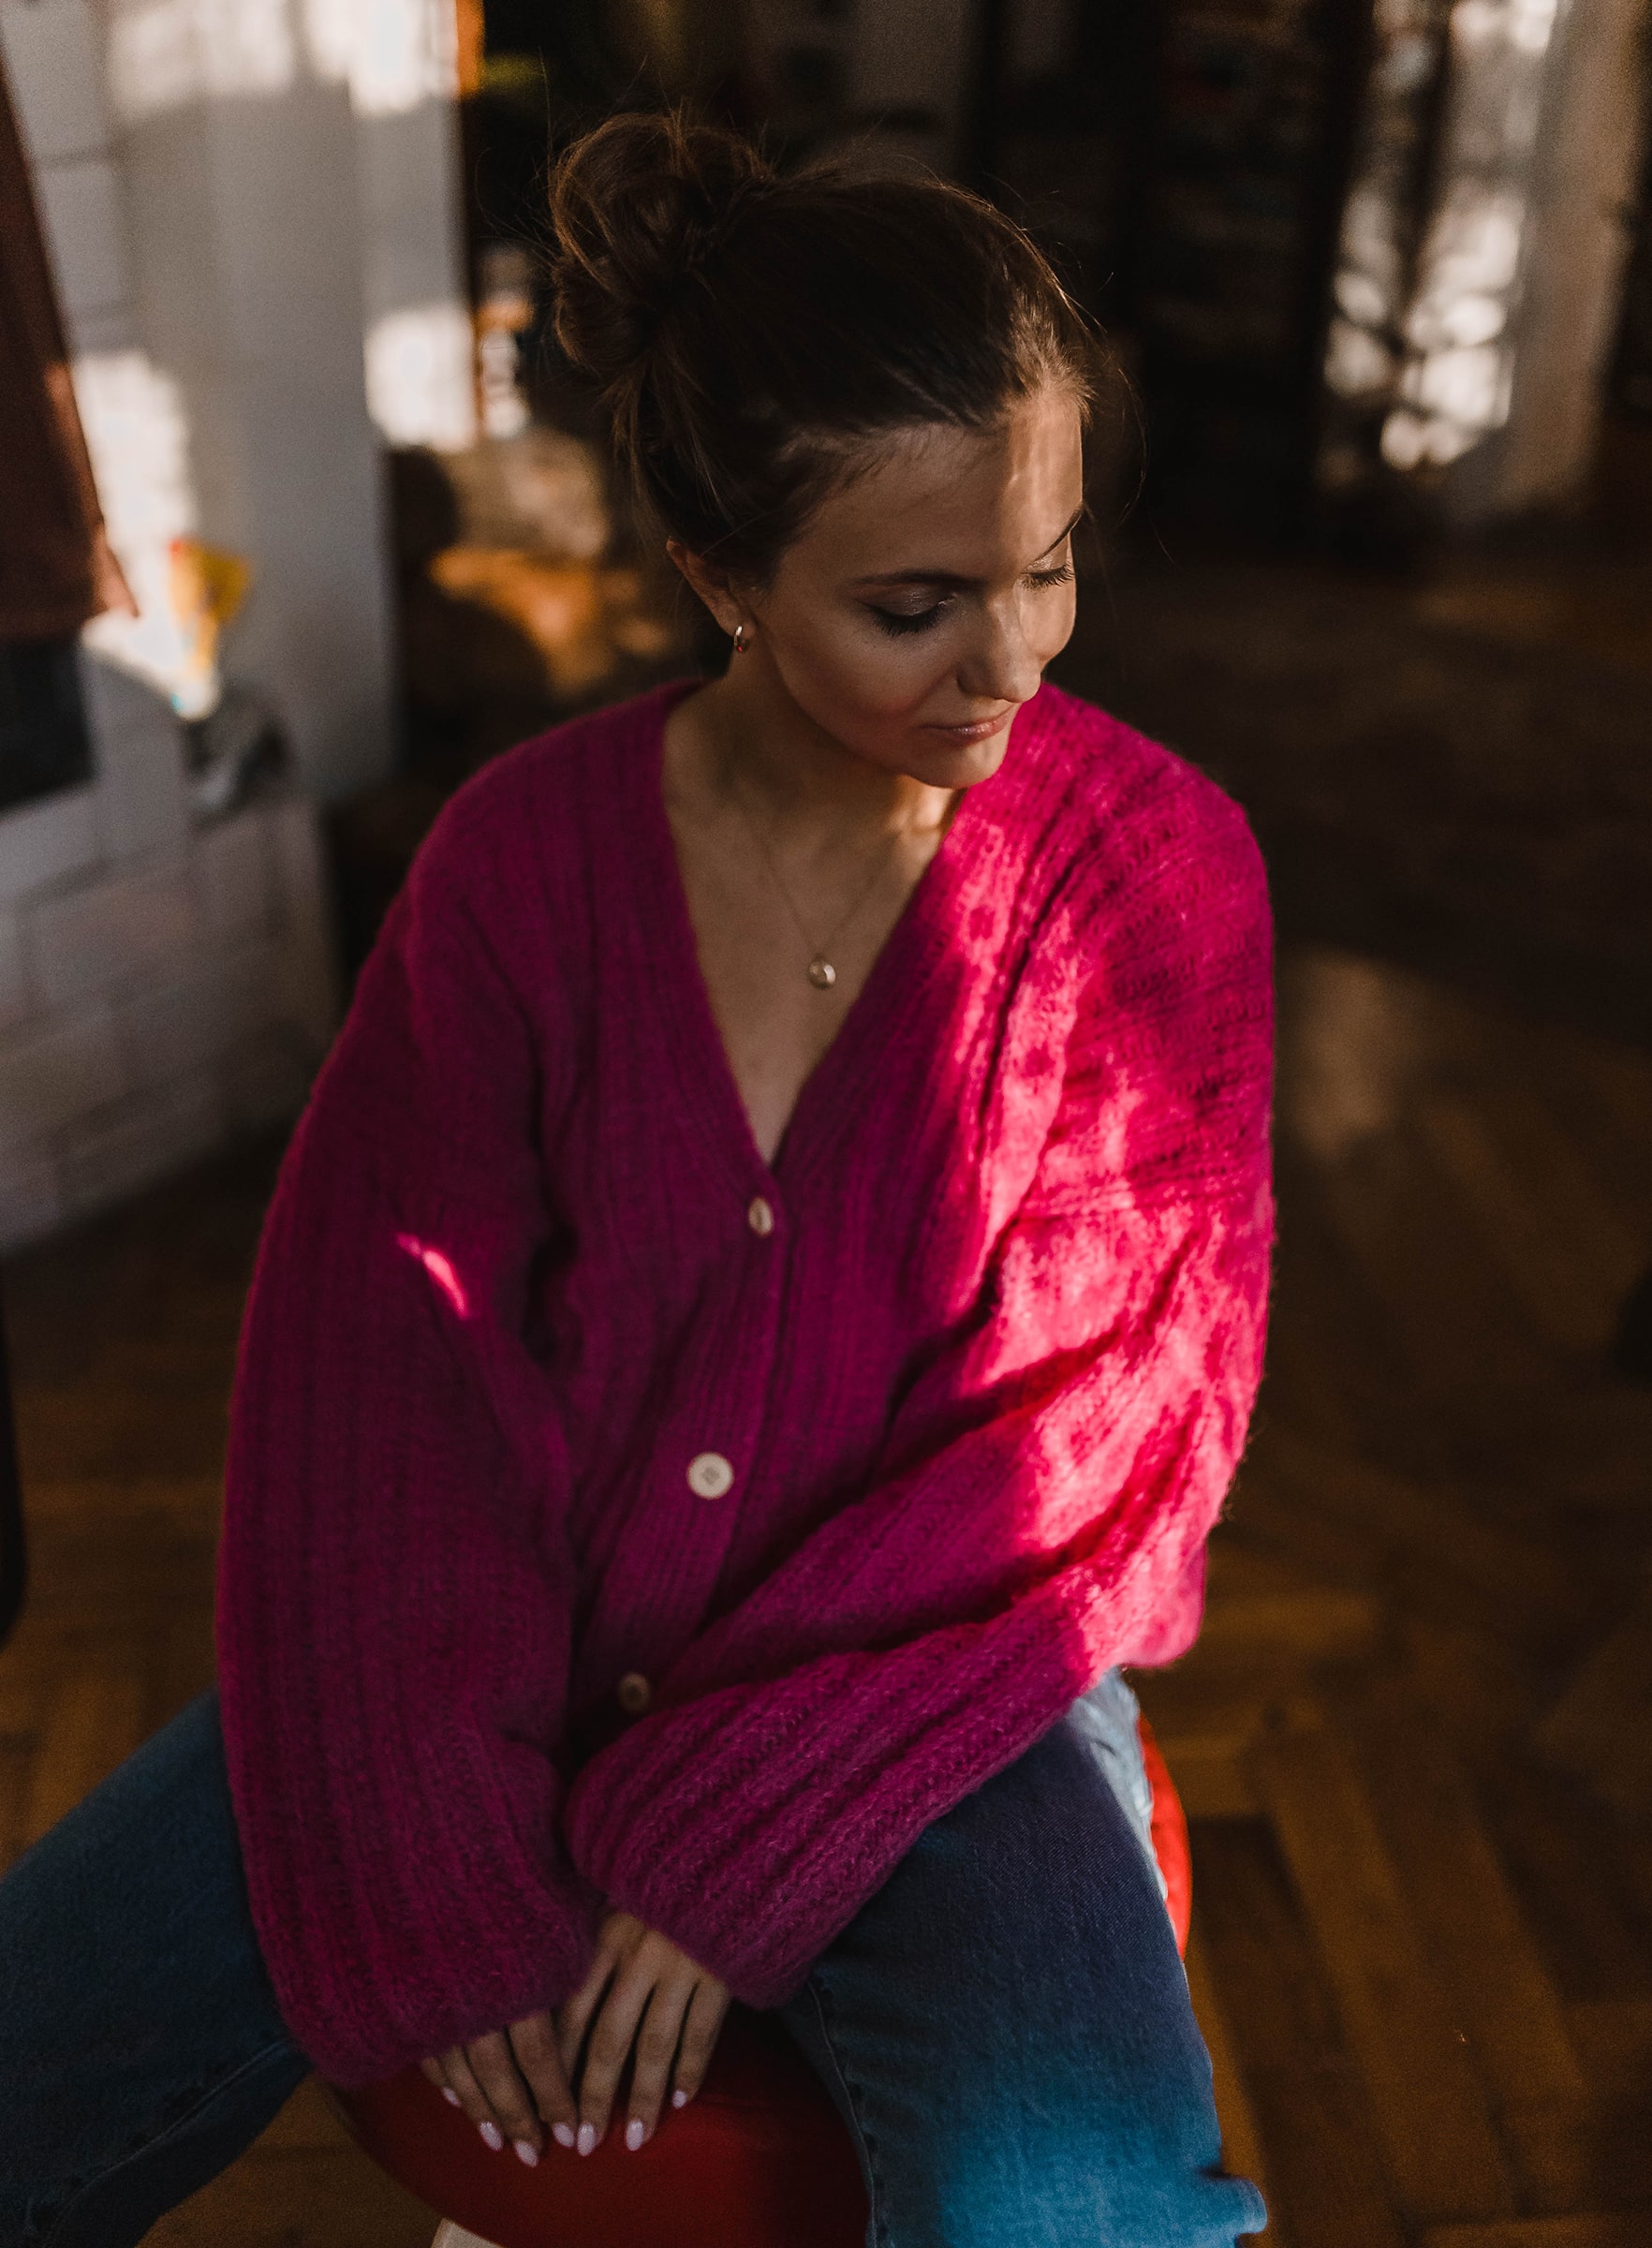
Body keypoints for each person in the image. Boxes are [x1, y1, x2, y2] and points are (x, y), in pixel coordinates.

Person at [0, 112, 1274, 2248]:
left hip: (938, 1676)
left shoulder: (1147, 875)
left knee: (1076, 2203)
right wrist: (427, 1826)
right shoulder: (519, 867)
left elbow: (1107, 1447)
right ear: (717, 574)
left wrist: (740, 1822)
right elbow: (382, 1383)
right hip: (492, 1626)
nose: (1016, 660)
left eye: (1051, 564)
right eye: (914, 605)